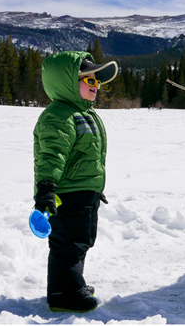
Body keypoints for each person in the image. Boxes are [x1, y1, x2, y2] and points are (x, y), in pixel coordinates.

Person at [33, 50, 118, 312]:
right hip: (66, 193)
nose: (96, 86)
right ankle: (62, 294)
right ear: (68, 82)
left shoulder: (83, 113)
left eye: (97, 82)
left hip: (85, 192)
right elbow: (51, 155)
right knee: (67, 244)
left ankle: (73, 284)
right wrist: (46, 189)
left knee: (81, 241)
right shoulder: (59, 116)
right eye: (89, 80)